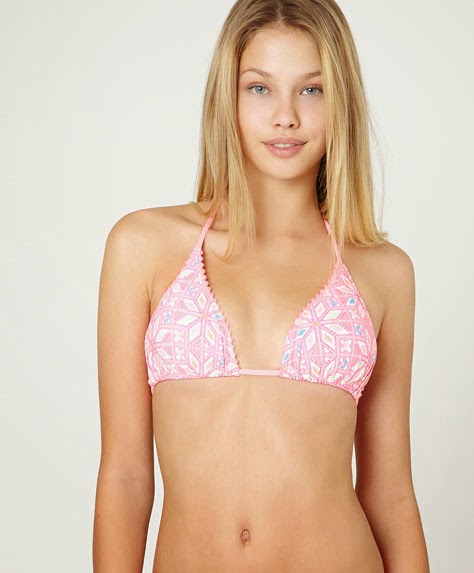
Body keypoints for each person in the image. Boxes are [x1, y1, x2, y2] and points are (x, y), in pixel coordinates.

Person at [93, 0, 430, 571]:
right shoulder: (142, 246)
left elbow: (390, 491)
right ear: (226, 98)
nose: (285, 117)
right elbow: (124, 477)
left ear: (342, 101)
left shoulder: (383, 271)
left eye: (312, 90)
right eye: (259, 88)